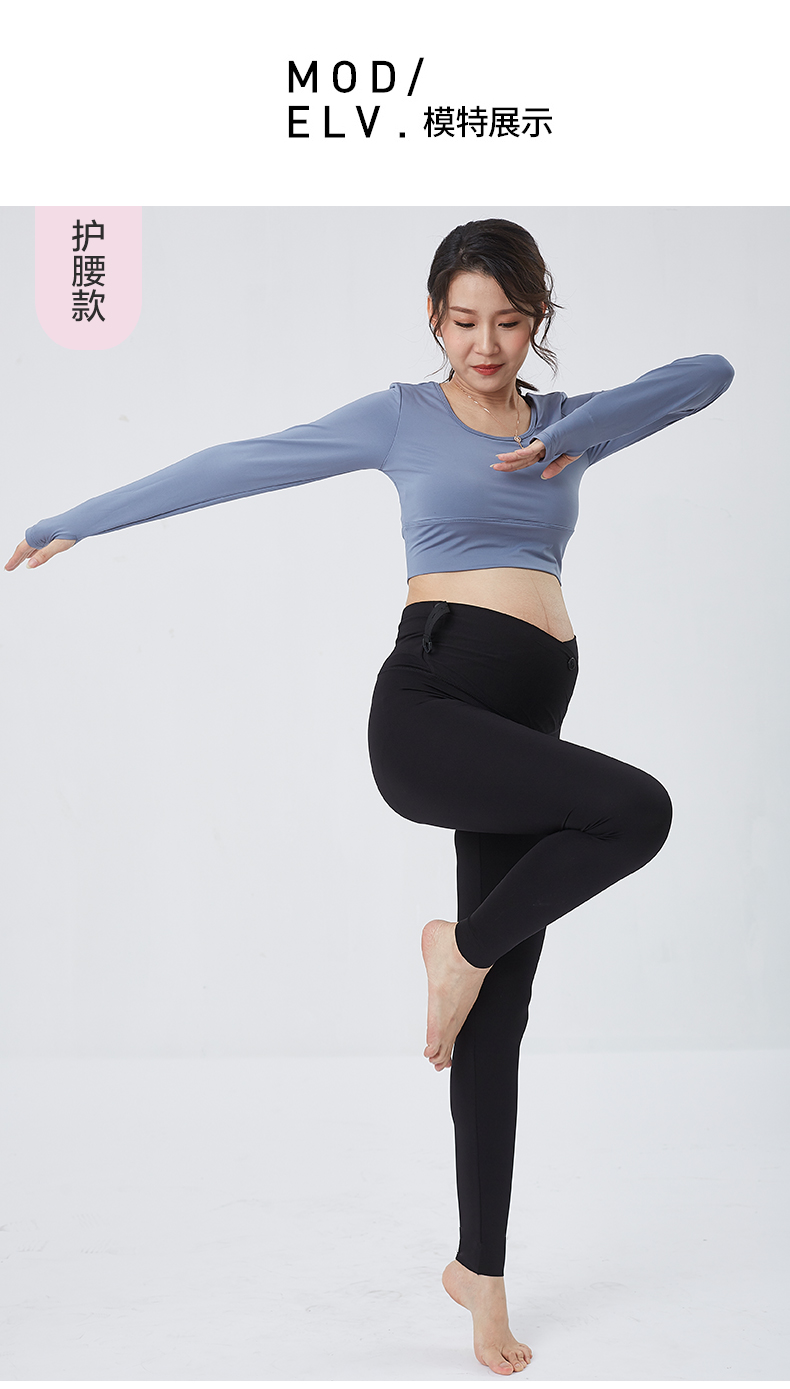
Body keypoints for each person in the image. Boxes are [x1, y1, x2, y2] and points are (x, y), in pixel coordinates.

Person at [6, 218, 734, 1377]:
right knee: (634, 811)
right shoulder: (400, 416)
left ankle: (479, 1275)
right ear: (432, 318)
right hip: (432, 707)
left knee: (499, 1015)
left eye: (508, 322)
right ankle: (459, 948)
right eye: (462, 321)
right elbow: (242, 462)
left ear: (537, 322)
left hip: (523, 728)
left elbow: (707, 374)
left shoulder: (562, 426)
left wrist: (569, 435)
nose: (484, 345)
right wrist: (79, 518)